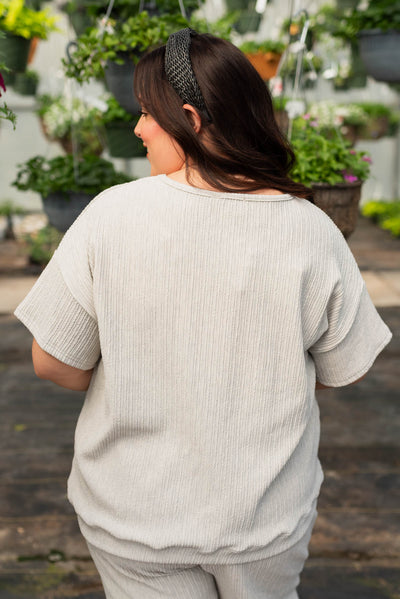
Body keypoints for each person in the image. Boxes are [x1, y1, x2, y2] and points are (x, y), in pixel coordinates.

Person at [15, 29, 391, 599]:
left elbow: (54, 363)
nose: (138, 128)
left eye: (147, 113)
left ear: (189, 117)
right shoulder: (310, 227)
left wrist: (145, 373)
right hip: (263, 524)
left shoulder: (113, 215)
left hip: (135, 519)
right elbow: (349, 367)